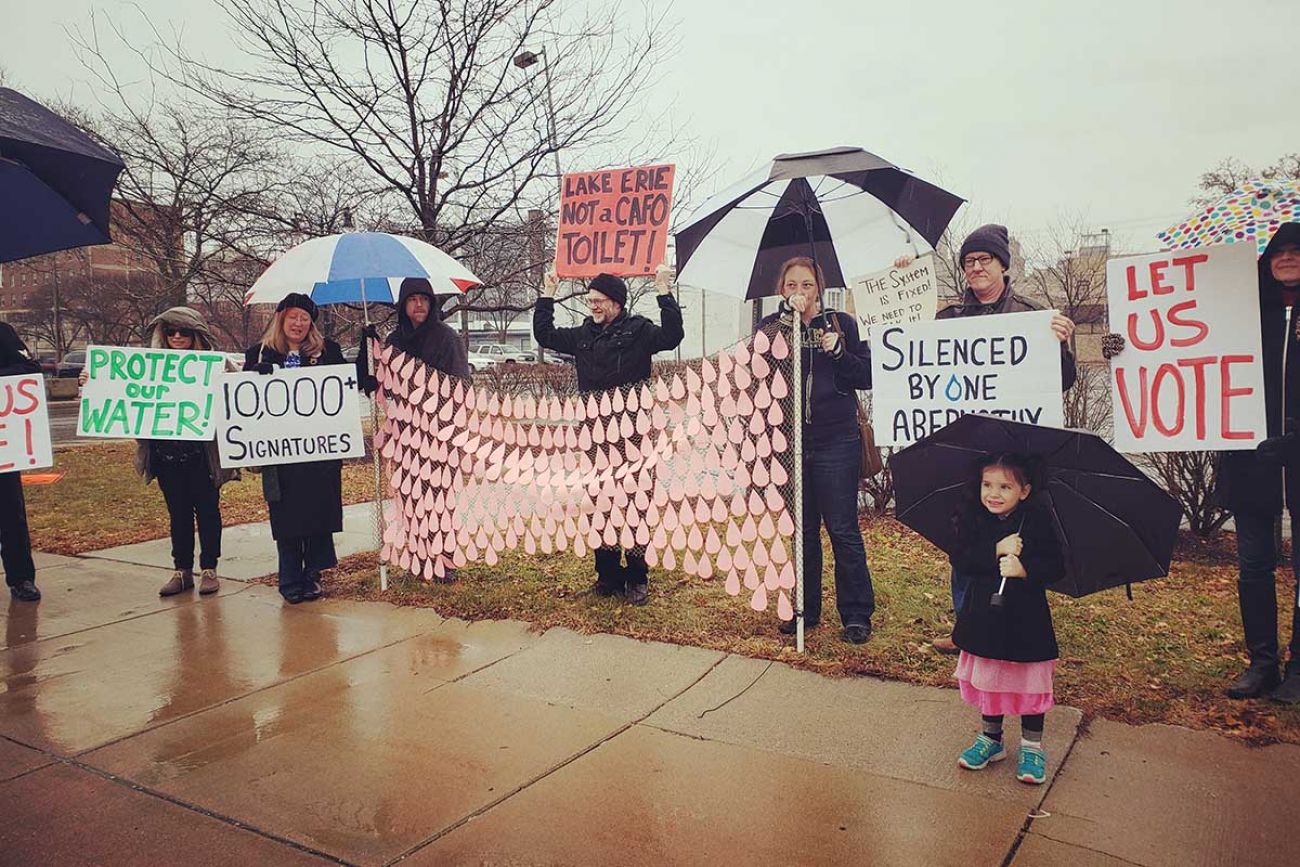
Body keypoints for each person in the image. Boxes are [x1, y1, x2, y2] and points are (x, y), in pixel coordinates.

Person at [926, 224, 1077, 654]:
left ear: (1003, 266)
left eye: (984, 260)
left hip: (1014, 447)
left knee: (1016, 536)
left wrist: (1062, 347)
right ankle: (965, 629)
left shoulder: (1033, 316)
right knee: (966, 534)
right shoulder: (950, 318)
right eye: (969, 262)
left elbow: (1062, 382)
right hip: (968, 446)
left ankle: (1012, 619)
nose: (975, 268)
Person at [533, 264, 683, 605]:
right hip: (594, 436)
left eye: (599, 300)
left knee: (634, 505)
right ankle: (607, 577)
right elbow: (545, 335)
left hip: (633, 434)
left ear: (616, 302)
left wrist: (663, 291)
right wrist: (547, 296)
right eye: (591, 301)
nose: (594, 306)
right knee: (600, 505)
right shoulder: (584, 334)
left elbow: (673, 337)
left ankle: (637, 577)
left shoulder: (639, 331)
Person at [758, 256, 875, 644]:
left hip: (836, 440)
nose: (799, 292)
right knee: (802, 531)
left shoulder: (843, 325)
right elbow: (758, 380)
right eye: (791, 285)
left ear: (819, 290)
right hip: (791, 441)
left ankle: (856, 614)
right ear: (781, 290)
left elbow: (867, 375)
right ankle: (804, 609)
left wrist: (839, 353)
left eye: (807, 285)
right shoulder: (771, 329)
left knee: (843, 529)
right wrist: (780, 341)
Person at [82, 308, 237, 596]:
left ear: (196, 334)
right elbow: (119, 392)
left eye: (184, 332)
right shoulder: (147, 366)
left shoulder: (215, 365)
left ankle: (209, 569)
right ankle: (181, 571)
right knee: (177, 514)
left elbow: (237, 395)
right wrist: (92, 383)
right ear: (163, 335)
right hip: (166, 457)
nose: (177, 337)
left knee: (207, 512)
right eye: (171, 332)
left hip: (202, 457)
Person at [1212, 223, 1300, 704]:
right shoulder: (1243, 310)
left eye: (1295, 250)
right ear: (1264, 261)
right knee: (1254, 565)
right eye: (1278, 251)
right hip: (1252, 459)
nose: (1286, 258)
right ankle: (1262, 664)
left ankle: (1299, 665)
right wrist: (1122, 348)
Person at [950, 452, 1064, 786]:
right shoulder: (975, 518)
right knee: (990, 677)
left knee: (1028, 681)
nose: (993, 493)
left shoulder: (1038, 520)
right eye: (987, 484)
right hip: (985, 616)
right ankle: (991, 738)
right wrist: (996, 549)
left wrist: (1025, 568)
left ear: (1024, 491)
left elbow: (1057, 566)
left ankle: (1031, 745)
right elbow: (962, 558)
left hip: (1026, 621)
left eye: (1004, 486)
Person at [244, 293, 351, 604]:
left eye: (305, 318)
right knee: (287, 517)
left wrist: (366, 353)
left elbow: (346, 384)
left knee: (316, 514)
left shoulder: (328, 351)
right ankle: (290, 578)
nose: (299, 323)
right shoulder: (260, 354)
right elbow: (244, 401)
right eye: (293, 317)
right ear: (281, 319)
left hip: (318, 453)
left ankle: (312, 574)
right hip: (281, 455)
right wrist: (255, 375)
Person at [359, 277, 470, 386]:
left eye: (424, 299)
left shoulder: (448, 338)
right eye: (412, 299)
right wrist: (375, 383)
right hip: (402, 404)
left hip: (441, 403)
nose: (419, 304)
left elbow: (462, 384)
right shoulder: (395, 340)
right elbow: (390, 383)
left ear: (431, 303)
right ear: (404, 305)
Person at [0, 319, 41, 602]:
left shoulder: (2, 332)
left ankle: (21, 578)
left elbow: (29, 369)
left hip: (3, 447)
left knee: (10, 515)